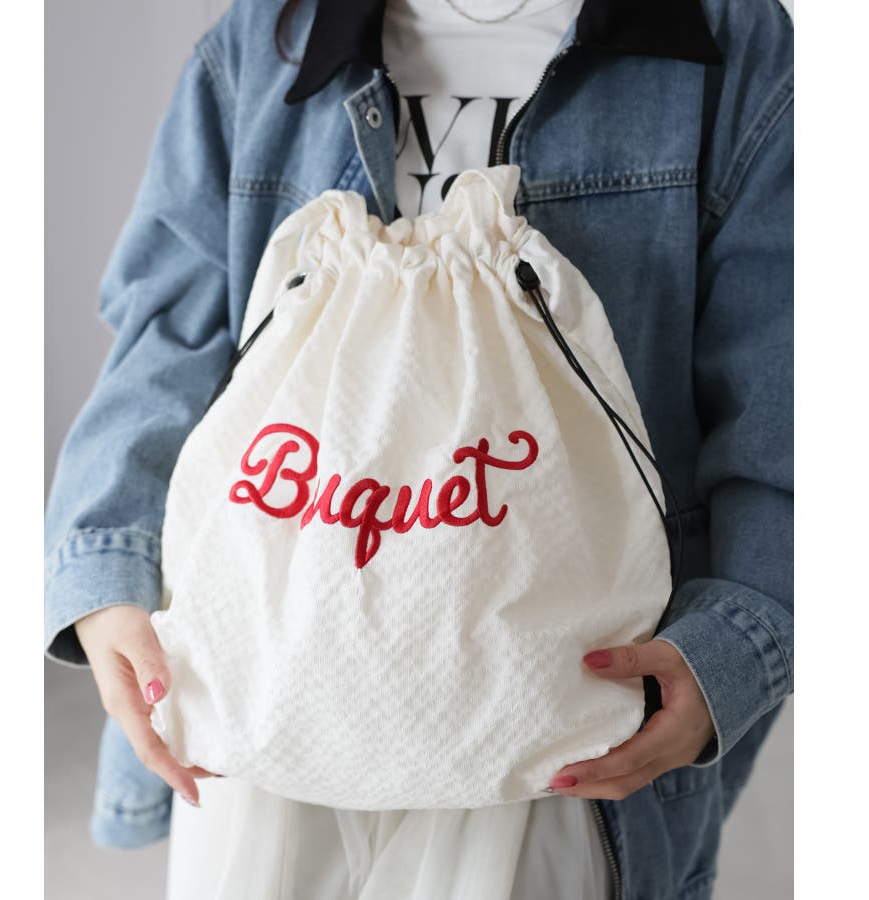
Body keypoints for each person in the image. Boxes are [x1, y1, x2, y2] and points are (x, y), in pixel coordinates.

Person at [43, 1, 793, 898]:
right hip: (269, 661)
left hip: (549, 703)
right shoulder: (264, 40)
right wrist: (106, 578)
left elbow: (788, 384)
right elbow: (166, 336)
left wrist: (732, 644)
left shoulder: (729, 44)